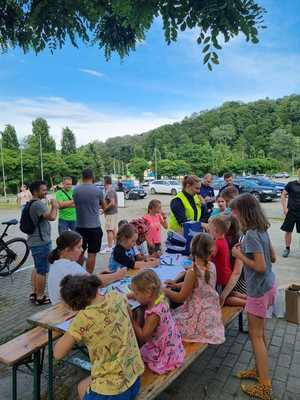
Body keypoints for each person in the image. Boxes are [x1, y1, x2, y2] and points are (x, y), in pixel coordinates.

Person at [53, 275, 144, 400]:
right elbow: (128, 313)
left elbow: (58, 353)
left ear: (74, 304)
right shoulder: (116, 296)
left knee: (82, 388)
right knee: (82, 386)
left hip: (113, 392)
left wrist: (74, 324)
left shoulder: (83, 319)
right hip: (134, 376)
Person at [230, 193, 276, 400]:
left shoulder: (251, 235)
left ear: (244, 213)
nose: (234, 215)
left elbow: (260, 266)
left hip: (258, 290)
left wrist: (239, 255)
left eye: (235, 211)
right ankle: (259, 370)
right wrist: (247, 251)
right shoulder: (261, 229)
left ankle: (265, 387)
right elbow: (272, 257)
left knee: (255, 336)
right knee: (260, 334)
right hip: (269, 286)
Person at [164, 233, 225, 344]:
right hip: (211, 312)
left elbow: (180, 298)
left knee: (167, 323)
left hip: (197, 315)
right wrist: (177, 285)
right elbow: (200, 286)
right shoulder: (211, 266)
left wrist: (165, 291)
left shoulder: (192, 273)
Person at [47, 231, 127, 304]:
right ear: (67, 250)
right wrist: (117, 275)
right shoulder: (69, 266)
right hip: (68, 309)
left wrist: (102, 276)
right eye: (79, 247)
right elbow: (93, 282)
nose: (82, 250)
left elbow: (87, 279)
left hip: (63, 304)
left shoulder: (57, 262)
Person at [130, 269, 185, 374]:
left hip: (165, 350)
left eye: (136, 293)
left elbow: (143, 337)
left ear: (148, 293)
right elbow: (143, 297)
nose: (135, 295)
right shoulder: (159, 298)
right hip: (172, 342)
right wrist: (134, 295)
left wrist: (132, 319)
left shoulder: (154, 314)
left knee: (138, 353)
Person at [27, 180, 58, 305]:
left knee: (37, 267)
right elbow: (52, 217)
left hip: (34, 240)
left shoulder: (31, 203)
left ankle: (34, 293)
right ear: (35, 191)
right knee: (42, 270)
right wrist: (54, 206)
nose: (46, 192)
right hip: (41, 242)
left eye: (46, 190)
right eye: (43, 190)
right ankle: (40, 297)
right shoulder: (38, 204)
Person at [73, 168, 105, 274]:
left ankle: (77, 275)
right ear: (92, 177)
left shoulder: (76, 190)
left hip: (79, 227)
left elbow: (76, 203)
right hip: (94, 227)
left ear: (82, 177)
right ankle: (88, 277)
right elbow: (104, 207)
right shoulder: (98, 191)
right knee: (92, 254)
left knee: (79, 253)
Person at [219, 215, 247, 307]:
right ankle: (251, 300)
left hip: (239, 281)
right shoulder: (227, 239)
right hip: (232, 277)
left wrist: (223, 296)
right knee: (227, 293)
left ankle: (253, 304)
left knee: (223, 297)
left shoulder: (239, 244)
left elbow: (236, 273)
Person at [280, 168, 300, 257]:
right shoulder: (291, 184)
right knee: (288, 231)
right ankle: (287, 249)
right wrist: (285, 208)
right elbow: (283, 195)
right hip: (291, 211)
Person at [209, 216, 232, 289]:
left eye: (210, 229)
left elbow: (209, 256)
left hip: (220, 277)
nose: (209, 231)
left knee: (219, 295)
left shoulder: (217, 243)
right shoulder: (224, 240)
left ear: (215, 230)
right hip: (226, 273)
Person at [101, 176, 118, 254]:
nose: (102, 182)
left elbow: (112, 202)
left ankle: (110, 247)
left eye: (103, 180)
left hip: (110, 213)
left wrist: (104, 210)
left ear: (105, 181)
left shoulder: (110, 190)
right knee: (113, 229)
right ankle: (115, 244)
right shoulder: (109, 189)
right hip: (112, 213)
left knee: (109, 230)